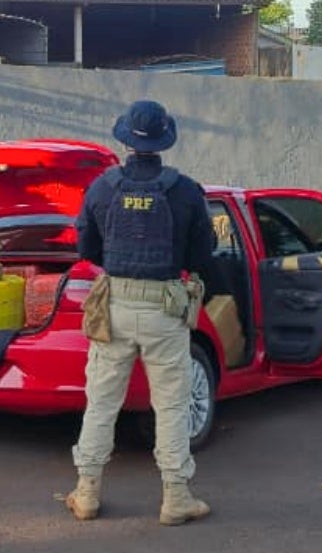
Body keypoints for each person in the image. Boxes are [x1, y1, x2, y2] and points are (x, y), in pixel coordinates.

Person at [66, 100, 216, 525]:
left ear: (126, 139)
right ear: (164, 139)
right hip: (165, 308)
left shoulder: (102, 188)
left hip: (114, 303)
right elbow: (202, 253)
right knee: (171, 406)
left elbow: (86, 248)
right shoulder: (185, 190)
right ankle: (176, 498)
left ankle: (87, 493)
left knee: (101, 404)